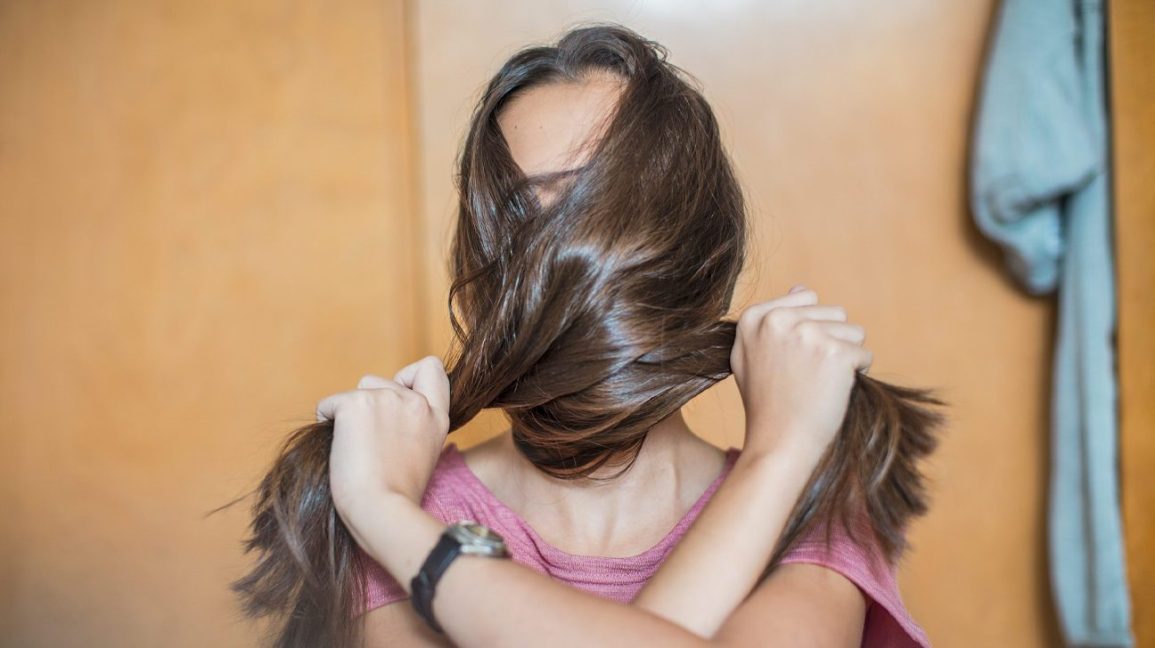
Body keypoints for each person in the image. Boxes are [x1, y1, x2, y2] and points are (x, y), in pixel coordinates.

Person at [233, 22, 943, 648]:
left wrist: (386, 515)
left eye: (600, 206)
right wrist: (780, 454)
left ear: (702, 248)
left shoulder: (809, 511)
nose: (557, 250)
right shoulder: (412, 507)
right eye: (523, 212)